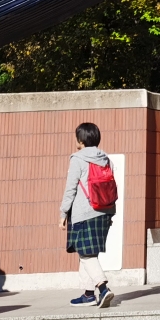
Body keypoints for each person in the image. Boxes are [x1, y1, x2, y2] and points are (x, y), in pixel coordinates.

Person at [60, 122, 116, 308]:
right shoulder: (106, 159)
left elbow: (71, 189)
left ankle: (103, 288)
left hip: (85, 213)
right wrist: (110, 212)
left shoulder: (77, 159)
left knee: (85, 254)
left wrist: (63, 213)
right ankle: (88, 294)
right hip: (105, 211)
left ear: (81, 139)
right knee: (89, 253)